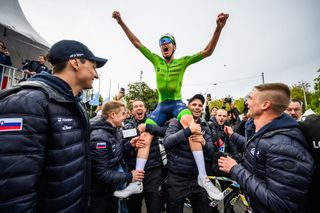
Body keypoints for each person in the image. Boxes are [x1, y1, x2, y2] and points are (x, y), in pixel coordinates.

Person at [112, 10, 228, 199]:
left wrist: (218, 28)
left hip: (176, 104)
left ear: (174, 46)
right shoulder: (156, 60)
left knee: (192, 127)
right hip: (161, 105)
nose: (164, 45)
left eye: (167, 42)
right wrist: (121, 22)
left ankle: (203, 178)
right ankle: (137, 182)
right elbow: (137, 43)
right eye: (161, 43)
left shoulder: (182, 62)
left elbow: (207, 52)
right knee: (146, 134)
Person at [0, 40, 107, 212]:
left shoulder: (76, 104)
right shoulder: (27, 103)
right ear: (75, 62)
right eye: (93, 67)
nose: (96, 75)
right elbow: (13, 191)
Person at [218, 83, 315, 212]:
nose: (247, 102)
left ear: (265, 104)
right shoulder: (265, 132)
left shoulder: (283, 146)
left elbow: (281, 204)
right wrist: (233, 135)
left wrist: (235, 169)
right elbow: (257, 149)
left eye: (251, 98)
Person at [163, 94, 223, 213]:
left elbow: (211, 153)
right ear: (187, 107)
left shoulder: (205, 125)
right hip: (177, 178)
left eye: (200, 105)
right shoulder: (176, 121)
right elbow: (167, 142)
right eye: (194, 104)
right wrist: (187, 131)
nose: (197, 107)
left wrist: (204, 143)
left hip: (198, 180)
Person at [89, 101, 145, 213]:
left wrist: (130, 145)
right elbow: (101, 173)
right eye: (124, 113)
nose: (127, 116)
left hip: (110, 189)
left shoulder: (114, 130)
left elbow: (115, 154)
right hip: (99, 195)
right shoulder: (99, 137)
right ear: (113, 115)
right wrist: (129, 177)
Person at [115, 99, 167, 213]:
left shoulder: (155, 121)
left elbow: (166, 131)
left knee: (155, 208)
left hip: (154, 171)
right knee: (134, 208)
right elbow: (121, 147)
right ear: (132, 111)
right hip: (134, 173)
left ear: (145, 109)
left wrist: (148, 127)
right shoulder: (127, 126)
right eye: (135, 107)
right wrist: (132, 145)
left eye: (141, 106)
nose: (138, 108)